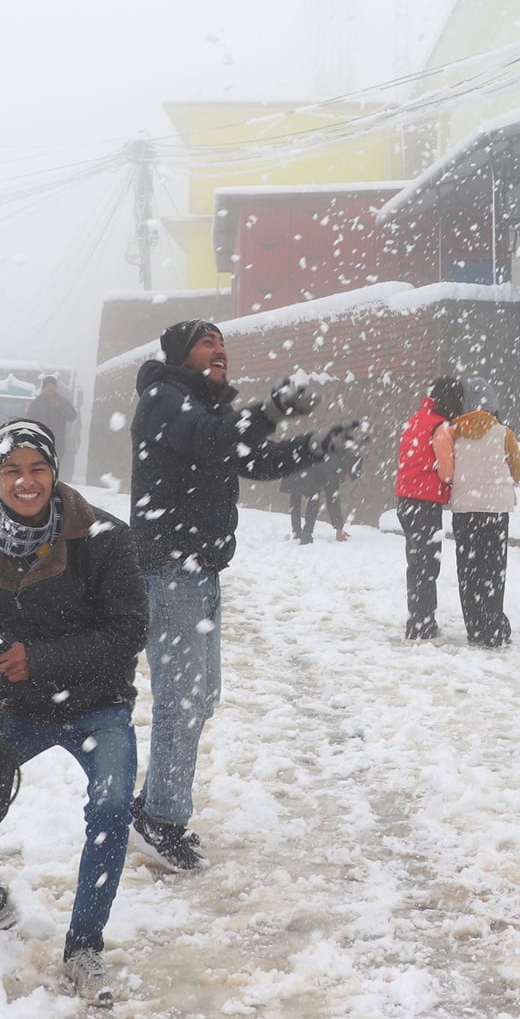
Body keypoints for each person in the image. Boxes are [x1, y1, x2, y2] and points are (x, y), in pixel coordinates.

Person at [0, 419, 146, 1006]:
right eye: (12, 470)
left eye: (37, 468)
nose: (26, 481)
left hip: (99, 704)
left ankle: (85, 948)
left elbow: (128, 631)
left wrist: (40, 657)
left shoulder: (104, 538)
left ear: (53, 473)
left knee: (113, 806)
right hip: (20, 706)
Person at [129, 319, 362, 871]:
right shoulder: (163, 400)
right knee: (181, 701)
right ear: (182, 354)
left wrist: (315, 444)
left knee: (200, 697)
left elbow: (252, 459)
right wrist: (275, 408)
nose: (221, 352)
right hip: (171, 570)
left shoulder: (209, 412)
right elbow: (217, 441)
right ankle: (159, 819)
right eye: (208, 343)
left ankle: (153, 805)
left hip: (200, 572)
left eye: (223, 344)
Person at [432, 378, 520, 648]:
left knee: (468, 569)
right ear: (493, 407)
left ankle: (474, 627)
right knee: (493, 570)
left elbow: (446, 467)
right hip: (495, 511)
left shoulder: (454, 432)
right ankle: (493, 627)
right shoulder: (504, 433)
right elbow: (519, 471)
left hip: (464, 511)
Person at [393, 376, 465, 640]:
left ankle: (417, 619)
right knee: (427, 565)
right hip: (425, 503)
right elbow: (446, 471)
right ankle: (424, 623)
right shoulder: (440, 427)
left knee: (416, 562)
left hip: (406, 501)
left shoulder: (416, 419)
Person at [280, 446, 358, 545]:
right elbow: (333, 499)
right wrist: (339, 528)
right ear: (349, 469)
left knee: (296, 495)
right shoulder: (335, 465)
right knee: (314, 496)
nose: (346, 479)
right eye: (349, 477)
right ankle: (306, 534)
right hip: (304, 468)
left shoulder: (335, 455)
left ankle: (297, 531)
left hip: (295, 463)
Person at [25, 375, 80, 480]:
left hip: (57, 440)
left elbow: (73, 416)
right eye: (47, 386)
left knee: (54, 464)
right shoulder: (36, 403)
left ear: (56, 388)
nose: (50, 388)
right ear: (43, 388)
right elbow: (29, 420)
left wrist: (60, 407)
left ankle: (51, 485)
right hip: (40, 439)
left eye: (52, 386)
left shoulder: (62, 401)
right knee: (40, 463)